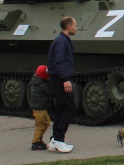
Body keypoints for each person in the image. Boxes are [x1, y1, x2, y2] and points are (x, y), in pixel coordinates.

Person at [47, 16, 77, 153]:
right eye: (75, 25)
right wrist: (65, 79)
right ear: (69, 27)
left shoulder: (63, 40)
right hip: (59, 79)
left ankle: (55, 140)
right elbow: (58, 61)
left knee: (60, 108)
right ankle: (58, 140)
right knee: (70, 107)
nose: (77, 28)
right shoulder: (61, 41)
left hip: (59, 77)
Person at [29, 65, 53, 151]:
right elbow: (51, 92)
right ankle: (35, 142)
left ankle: (39, 139)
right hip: (39, 109)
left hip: (41, 108)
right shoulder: (42, 85)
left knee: (47, 122)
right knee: (40, 125)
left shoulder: (38, 82)